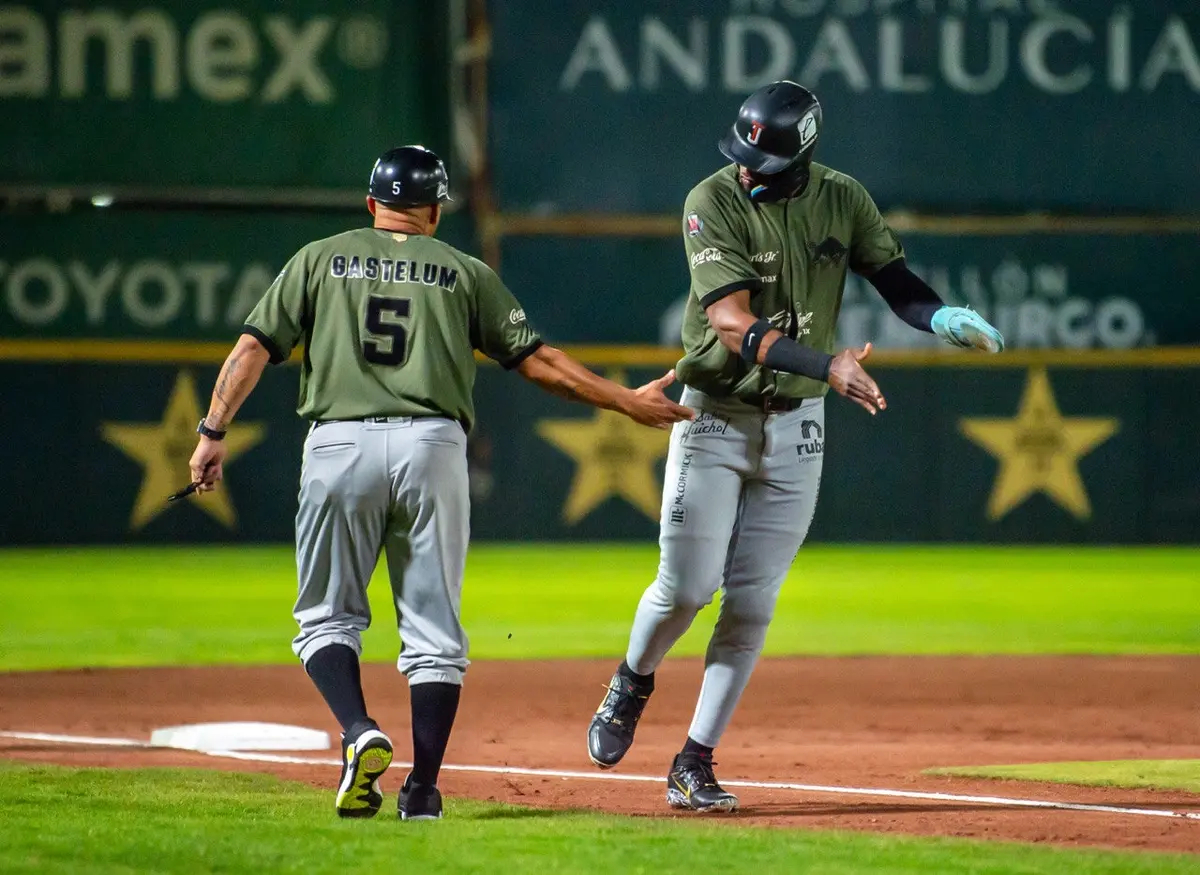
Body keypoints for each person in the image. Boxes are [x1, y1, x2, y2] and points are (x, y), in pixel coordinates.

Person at [187, 145, 693, 821]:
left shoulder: (318, 258)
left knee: (325, 618)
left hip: (339, 443)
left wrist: (213, 429)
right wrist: (626, 400)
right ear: (434, 210)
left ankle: (358, 730)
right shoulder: (463, 271)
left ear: (372, 203)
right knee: (434, 633)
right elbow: (537, 360)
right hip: (433, 445)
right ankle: (423, 789)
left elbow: (253, 346)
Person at [585, 82, 1004, 812]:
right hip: (713, 416)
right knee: (686, 588)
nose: (748, 168)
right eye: (742, 153)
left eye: (765, 160)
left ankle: (694, 760)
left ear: (803, 155)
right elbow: (730, 324)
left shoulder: (843, 198)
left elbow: (894, 281)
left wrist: (940, 317)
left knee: (751, 603)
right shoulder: (710, 200)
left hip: (797, 425)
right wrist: (829, 364)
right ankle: (632, 678)